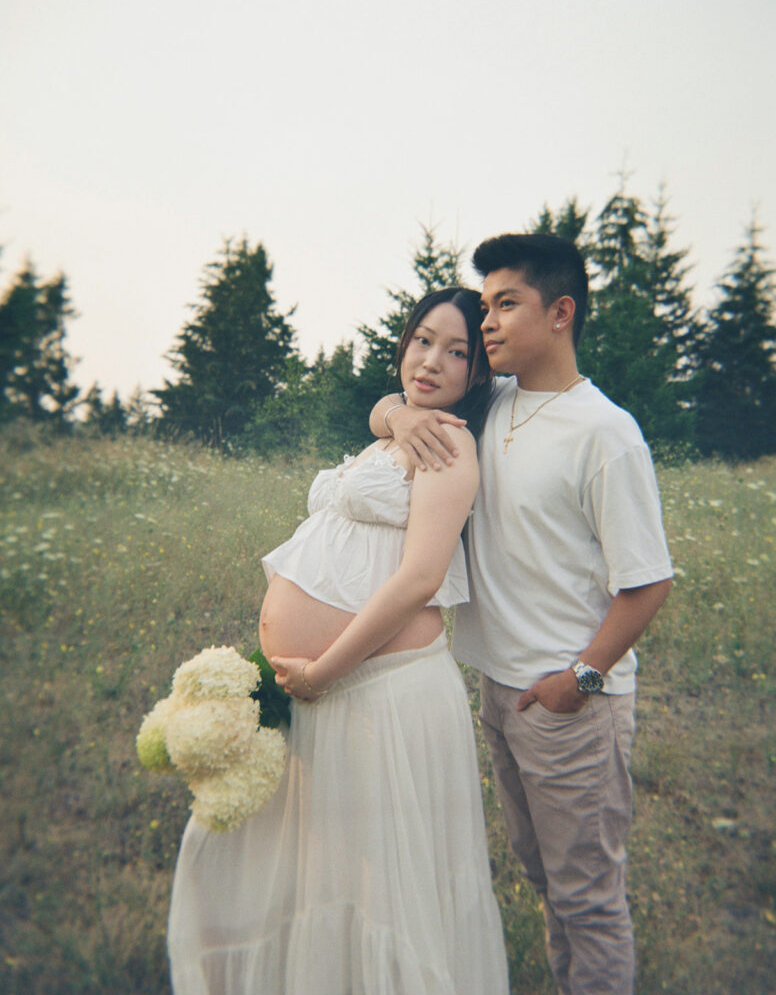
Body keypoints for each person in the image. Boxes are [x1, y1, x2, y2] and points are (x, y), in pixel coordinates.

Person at [167, 287, 510, 995]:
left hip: (375, 690)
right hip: (328, 685)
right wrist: (395, 411)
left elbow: (419, 578)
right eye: (422, 340)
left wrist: (324, 668)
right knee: (323, 860)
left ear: (479, 373)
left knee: (382, 881)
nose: (432, 360)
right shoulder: (402, 427)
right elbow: (384, 409)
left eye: (457, 352)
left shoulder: (454, 444)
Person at [372, 234, 674, 995]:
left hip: (568, 701)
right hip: (499, 694)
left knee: (589, 900)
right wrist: (393, 415)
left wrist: (581, 679)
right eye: (486, 306)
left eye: (507, 304)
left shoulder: (606, 434)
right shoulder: (494, 400)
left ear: (561, 313)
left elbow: (648, 583)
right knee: (545, 879)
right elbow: (405, 398)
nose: (489, 325)